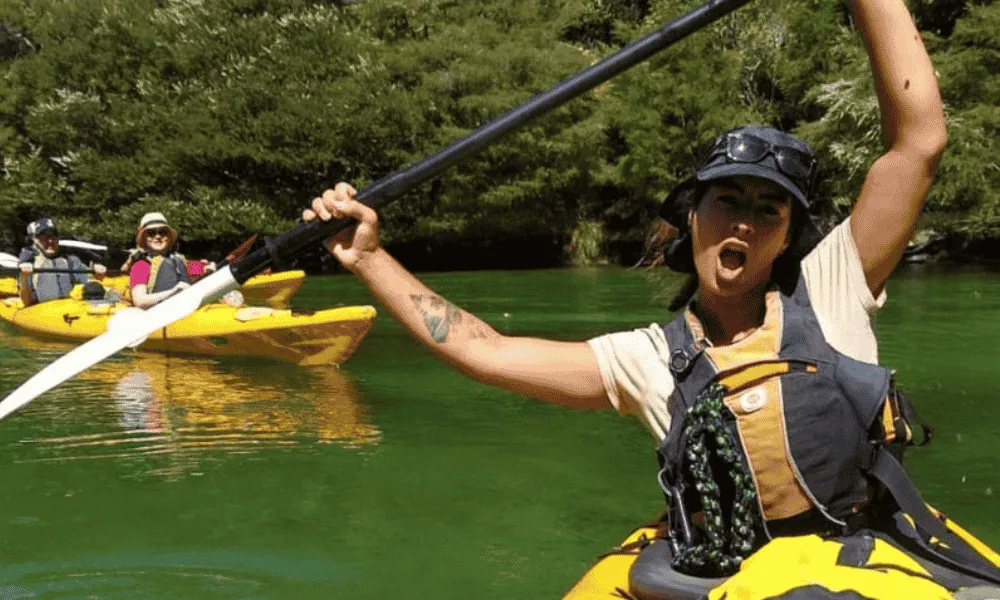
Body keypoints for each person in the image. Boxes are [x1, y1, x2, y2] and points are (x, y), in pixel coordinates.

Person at [305, 0, 1000, 594]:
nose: (745, 223)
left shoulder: (833, 286)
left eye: (769, 211)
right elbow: (483, 349)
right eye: (727, 201)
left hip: (856, 558)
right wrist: (368, 257)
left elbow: (919, 140)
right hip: (731, 571)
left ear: (788, 236)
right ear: (690, 218)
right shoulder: (645, 360)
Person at [127, 212, 215, 308]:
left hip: (189, 310)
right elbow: (139, 301)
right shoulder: (141, 266)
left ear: (168, 237)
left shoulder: (179, 261)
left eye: (163, 232)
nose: (158, 236)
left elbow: (205, 267)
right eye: (151, 233)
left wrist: (209, 267)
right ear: (144, 238)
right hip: (162, 314)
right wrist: (173, 292)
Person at [17, 217, 108, 307]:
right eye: (44, 237)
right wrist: (24, 277)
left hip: (69, 308)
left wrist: (97, 273)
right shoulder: (29, 263)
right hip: (42, 310)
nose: (50, 241)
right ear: (35, 240)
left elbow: (87, 285)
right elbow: (27, 302)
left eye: (54, 236)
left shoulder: (72, 261)